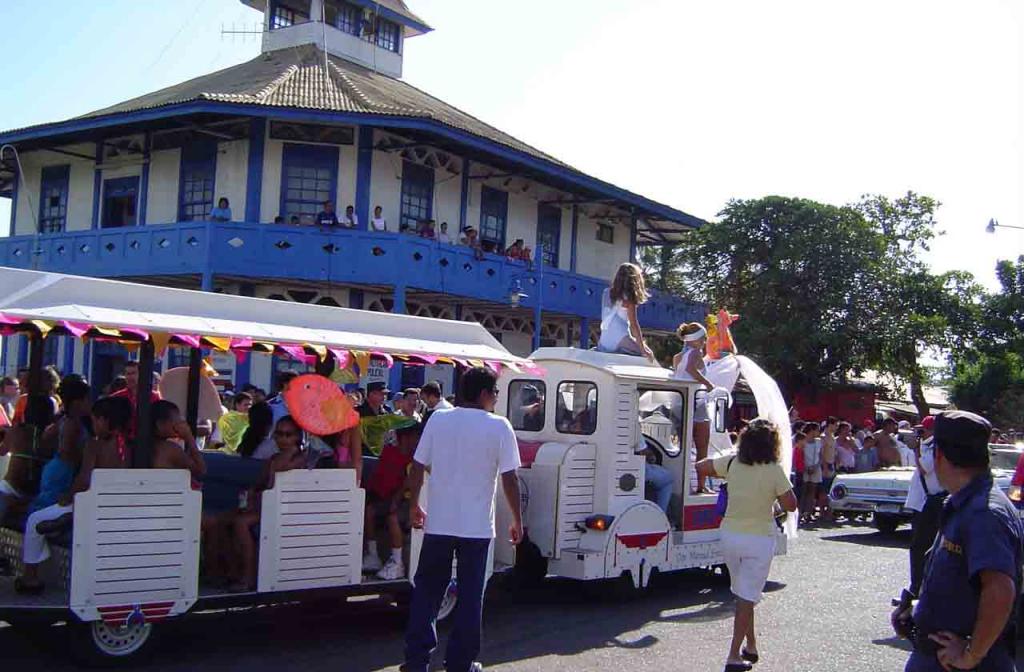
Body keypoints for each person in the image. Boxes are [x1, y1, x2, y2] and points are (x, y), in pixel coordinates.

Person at [403, 367, 523, 672]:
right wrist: (516, 520)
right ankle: (460, 663)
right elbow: (510, 478)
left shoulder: (439, 420)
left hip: (439, 524)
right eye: (495, 393)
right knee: (471, 597)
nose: (496, 399)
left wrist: (414, 504)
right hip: (477, 528)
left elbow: (417, 466)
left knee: (427, 593)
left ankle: (416, 661)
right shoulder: (500, 427)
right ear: (484, 394)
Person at [894, 411, 1023, 672]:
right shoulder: (964, 502)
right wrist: (918, 613)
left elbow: (1000, 589)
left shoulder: (984, 512)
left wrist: (971, 654)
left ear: (940, 455)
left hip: (963, 665)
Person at [696, 418, 798, 672]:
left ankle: (751, 645)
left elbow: (700, 466)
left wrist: (726, 463)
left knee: (744, 593)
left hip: (730, 535)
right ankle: (733, 656)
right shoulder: (774, 470)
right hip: (759, 538)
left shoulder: (732, 463)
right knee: (746, 597)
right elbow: (791, 505)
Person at [16, 395, 133, 594]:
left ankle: (31, 578)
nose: (94, 425)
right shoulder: (130, 447)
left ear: (104, 420)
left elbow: (84, 479)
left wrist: (67, 496)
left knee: (35, 520)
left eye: (95, 420)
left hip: (89, 505)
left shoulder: (95, 445)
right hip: (113, 506)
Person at [227, 415, 307, 592]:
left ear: (297, 437)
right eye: (278, 434)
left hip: (285, 509)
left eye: (288, 434)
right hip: (267, 506)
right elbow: (260, 484)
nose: (282, 439)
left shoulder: (300, 459)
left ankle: (248, 577)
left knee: (241, 523)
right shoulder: (274, 458)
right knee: (229, 517)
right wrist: (251, 495)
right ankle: (229, 571)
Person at [363, 417, 421, 579]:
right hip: (387, 498)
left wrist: (395, 501)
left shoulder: (417, 458)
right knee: (369, 511)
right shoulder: (389, 452)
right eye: (415, 436)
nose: (417, 440)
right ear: (404, 437)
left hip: (408, 502)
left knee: (392, 517)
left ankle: (397, 563)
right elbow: (380, 480)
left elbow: (409, 485)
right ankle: (373, 555)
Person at [0, 395, 58, 525]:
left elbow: (3, 450)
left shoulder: (17, 431)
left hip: (27, 494)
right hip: (25, 492)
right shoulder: (54, 435)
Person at [903, 415, 943, 598]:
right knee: (919, 546)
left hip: (929, 502)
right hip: (922, 502)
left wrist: (916, 449)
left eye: (922, 430)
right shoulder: (927, 445)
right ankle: (917, 585)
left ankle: (918, 588)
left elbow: (925, 468)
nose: (920, 433)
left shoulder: (934, 446)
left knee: (921, 547)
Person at [597, 263, 654, 360]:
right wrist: (643, 349)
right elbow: (634, 325)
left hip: (604, 338)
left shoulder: (606, 293)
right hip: (620, 336)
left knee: (643, 348)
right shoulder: (629, 298)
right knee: (647, 356)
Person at [150, 400, 207, 484]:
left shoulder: (139, 445)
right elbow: (200, 470)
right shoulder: (170, 449)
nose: (180, 424)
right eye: (176, 421)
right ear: (160, 425)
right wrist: (189, 437)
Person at [110, 360, 161, 439]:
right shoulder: (117, 397)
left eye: (133, 373)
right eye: (127, 373)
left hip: (147, 442)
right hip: (124, 444)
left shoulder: (154, 397)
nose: (130, 377)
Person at [800, 422, 822, 525]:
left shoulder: (819, 442)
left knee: (812, 492)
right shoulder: (803, 441)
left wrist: (816, 466)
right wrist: (805, 467)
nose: (819, 432)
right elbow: (800, 455)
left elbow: (820, 455)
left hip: (815, 468)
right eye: (817, 430)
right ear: (812, 430)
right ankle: (800, 513)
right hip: (805, 468)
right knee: (803, 491)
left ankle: (808, 513)